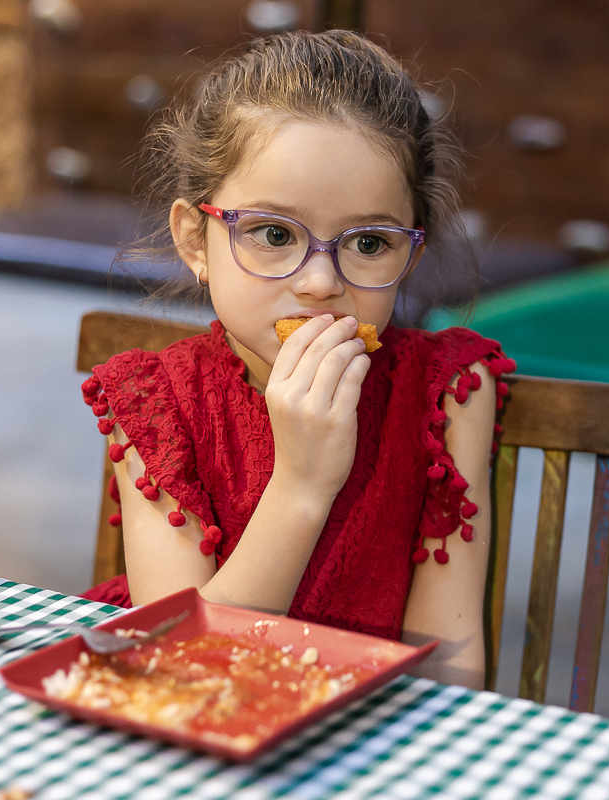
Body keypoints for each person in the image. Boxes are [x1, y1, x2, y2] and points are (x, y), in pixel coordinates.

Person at [79, 30, 514, 689]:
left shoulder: (446, 394)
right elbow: (183, 666)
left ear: (411, 257)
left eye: (369, 243)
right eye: (275, 233)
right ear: (196, 241)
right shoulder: (154, 403)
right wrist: (304, 484)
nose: (319, 282)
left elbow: (449, 666)